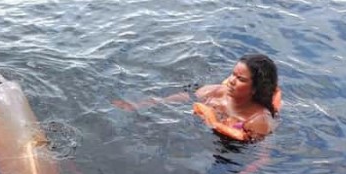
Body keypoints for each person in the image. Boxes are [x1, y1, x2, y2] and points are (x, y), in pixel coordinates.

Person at [114, 53, 280, 141]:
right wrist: (138, 105)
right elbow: (184, 97)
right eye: (233, 74)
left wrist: (214, 121)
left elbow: (258, 153)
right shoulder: (217, 92)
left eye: (241, 79)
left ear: (255, 88)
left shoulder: (259, 120)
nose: (231, 81)